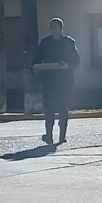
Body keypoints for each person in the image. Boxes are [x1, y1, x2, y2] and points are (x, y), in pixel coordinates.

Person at [33, 17, 80, 145]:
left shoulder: (69, 42)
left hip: (64, 81)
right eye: (51, 27)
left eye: (55, 27)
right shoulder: (45, 43)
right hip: (48, 81)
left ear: (61, 29)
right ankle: (48, 135)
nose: (52, 29)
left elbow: (76, 61)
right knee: (49, 109)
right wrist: (35, 68)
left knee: (63, 108)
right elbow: (37, 59)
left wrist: (67, 65)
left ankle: (62, 136)